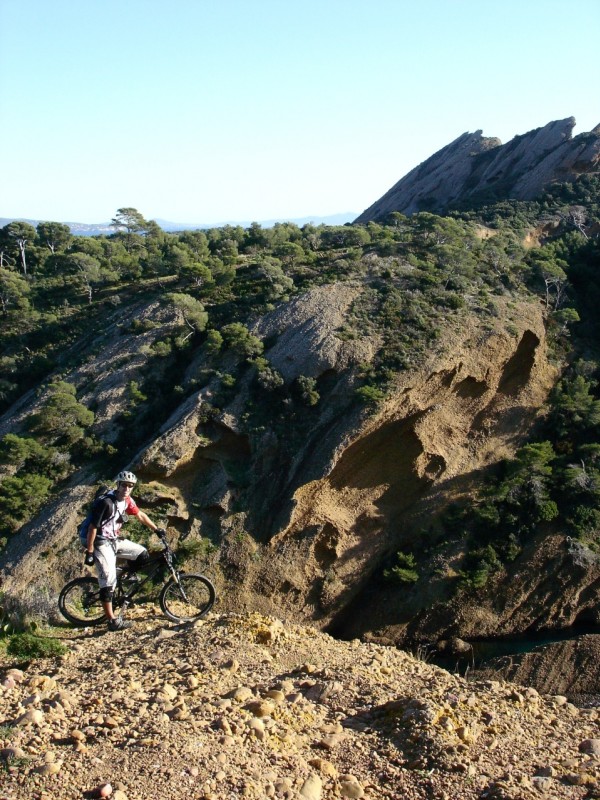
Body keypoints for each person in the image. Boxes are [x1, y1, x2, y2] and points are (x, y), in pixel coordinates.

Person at [83, 470, 164, 631]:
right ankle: (112, 621)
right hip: (98, 540)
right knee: (108, 581)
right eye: (124, 485)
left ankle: (122, 576)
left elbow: (140, 514)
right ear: (118, 485)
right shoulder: (106, 503)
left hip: (113, 539)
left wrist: (156, 529)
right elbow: (92, 528)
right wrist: (90, 552)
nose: (127, 488)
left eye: (130, 486)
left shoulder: (127, 500)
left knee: (142, 554)